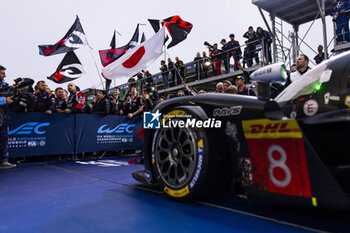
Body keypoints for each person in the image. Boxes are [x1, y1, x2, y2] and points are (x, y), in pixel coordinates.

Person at [0, 65, 16, 169]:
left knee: (3, 137)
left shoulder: (4, 85)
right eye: (2, 73)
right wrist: (4, 100)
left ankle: (3, 161)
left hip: (3, 115)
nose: (5, 75)